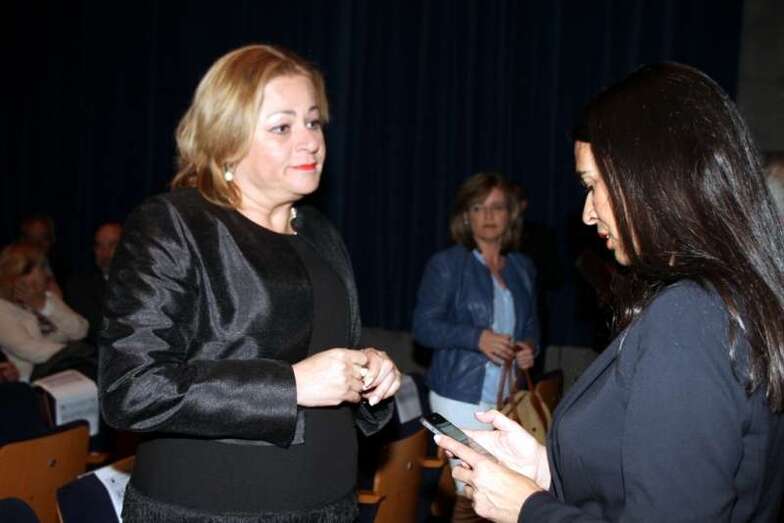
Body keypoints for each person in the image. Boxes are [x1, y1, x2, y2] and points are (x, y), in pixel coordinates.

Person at [434, 63, 784, 522]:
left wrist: (527, 509)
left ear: (649, 177)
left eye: (592, 185)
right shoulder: (729, 298)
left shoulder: (690, 317)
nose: (587, 213)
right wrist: (545, 472)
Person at [98, 44, 401, 522]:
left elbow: (328, 356)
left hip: (331, 507)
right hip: (209, 512)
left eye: (314, 122)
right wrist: (291, 385)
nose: (310, 141)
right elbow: (131, 390)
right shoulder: (174, 224)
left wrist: (369, 372)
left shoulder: (320, 232)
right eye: (282, 127)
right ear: (227, 139)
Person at [412, 172, 540, 520]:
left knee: (499, 496)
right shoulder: (447, 265)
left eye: (496, 207)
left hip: (506, 397)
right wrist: (475, 337)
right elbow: (423, 327)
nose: (488, 215)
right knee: (468, 492)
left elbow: (531, 326)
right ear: (466, 216)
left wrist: (529, 348)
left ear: (510, 214)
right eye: (478, 207)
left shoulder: (522, 268)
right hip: (458, 395)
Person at [0, 243, 88, 382]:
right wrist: (73, 353)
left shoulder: (47, 298)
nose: (46, 274)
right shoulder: (3, 308)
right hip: (34, 382)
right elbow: (30, 349)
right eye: (40, 268)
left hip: (68, 370)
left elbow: (80, 330)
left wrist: (43, 306)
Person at [66, 222, 123, 343]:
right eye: (99, 246)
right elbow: (96, 329)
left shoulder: (144, 281)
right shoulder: (80, 287)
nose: (104, 253)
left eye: (112, 245)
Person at [19, 214, 66, 296]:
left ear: (52, 239)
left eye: (44, 238)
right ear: (23, 241)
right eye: (32, 238)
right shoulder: (15, 272)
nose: (38, 244)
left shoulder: (63, 269)